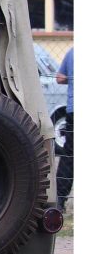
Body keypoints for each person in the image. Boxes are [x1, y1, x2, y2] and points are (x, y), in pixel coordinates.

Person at [56, 47, 73, 210]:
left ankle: (60, 200)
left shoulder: (72, 52)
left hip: (73, 109)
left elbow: (59, 78)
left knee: (69, 155)